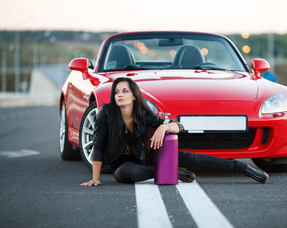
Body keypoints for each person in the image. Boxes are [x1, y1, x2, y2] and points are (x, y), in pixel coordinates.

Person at [80, 77, 269, 187]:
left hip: (146, 155)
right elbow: (98, 145)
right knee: (123, 174)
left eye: (124, 91)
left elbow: (180, 126)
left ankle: (242, 168)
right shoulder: (106, 113)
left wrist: (164, 126)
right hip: (120, 163)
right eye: (116, 92)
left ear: (134, 96)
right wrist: (95, 179)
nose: (119, 95)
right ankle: (171, 172)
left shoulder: (142, 113)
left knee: (191, 158)